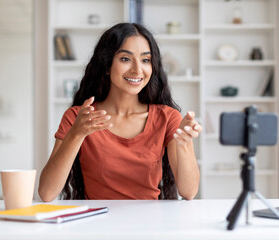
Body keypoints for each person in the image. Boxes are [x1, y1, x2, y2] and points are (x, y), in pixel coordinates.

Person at [39, 23, 202, 201]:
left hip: (150, 223)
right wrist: (76, 134)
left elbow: (189, 192)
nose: (137, 70)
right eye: (125, 59)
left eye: (146, 60)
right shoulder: (79, 117)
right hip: (97, 223)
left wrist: (185, 143)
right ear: (107, 65)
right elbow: (47, 193)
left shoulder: (167, 117)